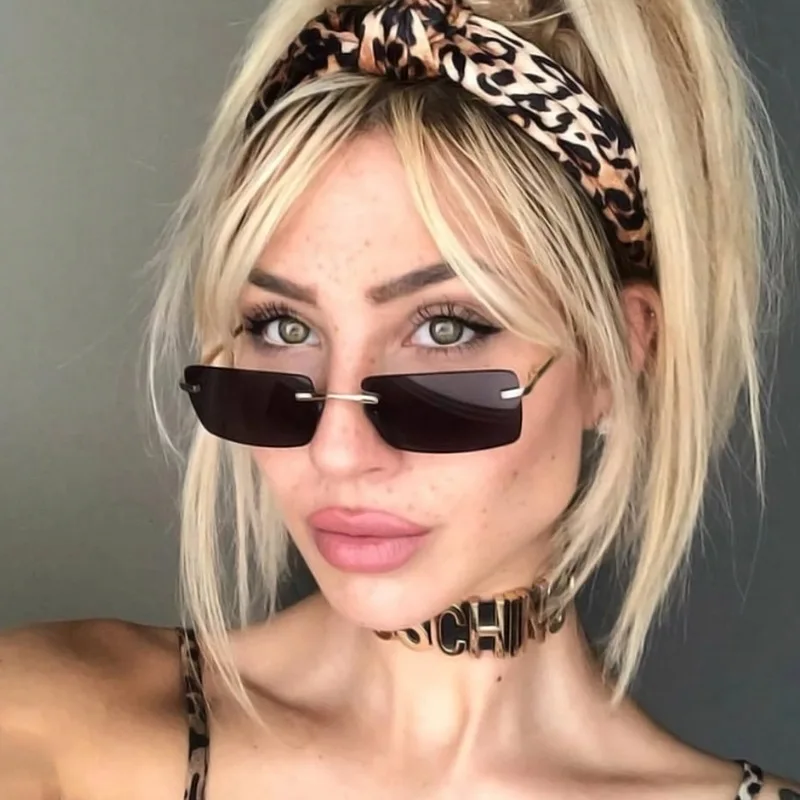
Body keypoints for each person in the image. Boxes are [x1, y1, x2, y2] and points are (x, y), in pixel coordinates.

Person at [0, 0, 797, 796]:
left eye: (446, 331)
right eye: (282, 327)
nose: (337, 450)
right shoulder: (47, 728)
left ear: (617, 358)